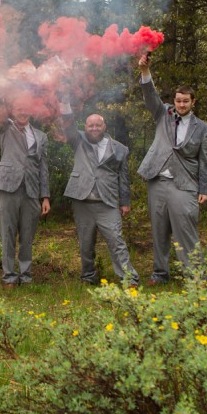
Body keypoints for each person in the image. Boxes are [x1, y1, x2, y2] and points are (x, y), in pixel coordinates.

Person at [136, 53, 207, 284]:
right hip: (157, 180)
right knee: (159, 231)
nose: (181, 104)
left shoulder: (203, 129)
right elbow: (150, 96)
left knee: (185, 231)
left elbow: (205, 160)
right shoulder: (164, 113)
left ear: (193, 102)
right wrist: (145, 71)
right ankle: (160, 274)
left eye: (186, 101)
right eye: (178, 100)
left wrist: (204, 188)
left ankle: (195, 277)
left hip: (184, 184)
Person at [59, 103, 140, 286]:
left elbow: (124, 178)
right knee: (85, 243)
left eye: (98, 125)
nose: (94, 128)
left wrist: (125, 202)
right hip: (82, 201)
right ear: (85, 127)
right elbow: (68, 126)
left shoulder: (120, 149)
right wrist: (64, 102)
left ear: (104, 127)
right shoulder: (78, 139)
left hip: (108, 202)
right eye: (90, 126)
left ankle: (129, 278)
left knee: (116, 240)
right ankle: (88, 276)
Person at [0, 94, 51, 288]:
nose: (22, 112)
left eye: (26, 108)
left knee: (27, 235)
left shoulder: (41, 136)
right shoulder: (5, 127)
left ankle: (25, 276)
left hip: (32, 191)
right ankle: (9, 276)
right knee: (8, 233)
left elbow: (43, 168)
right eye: (18, 109)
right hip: (8, 186)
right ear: (12, 111)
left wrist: (46, 197)